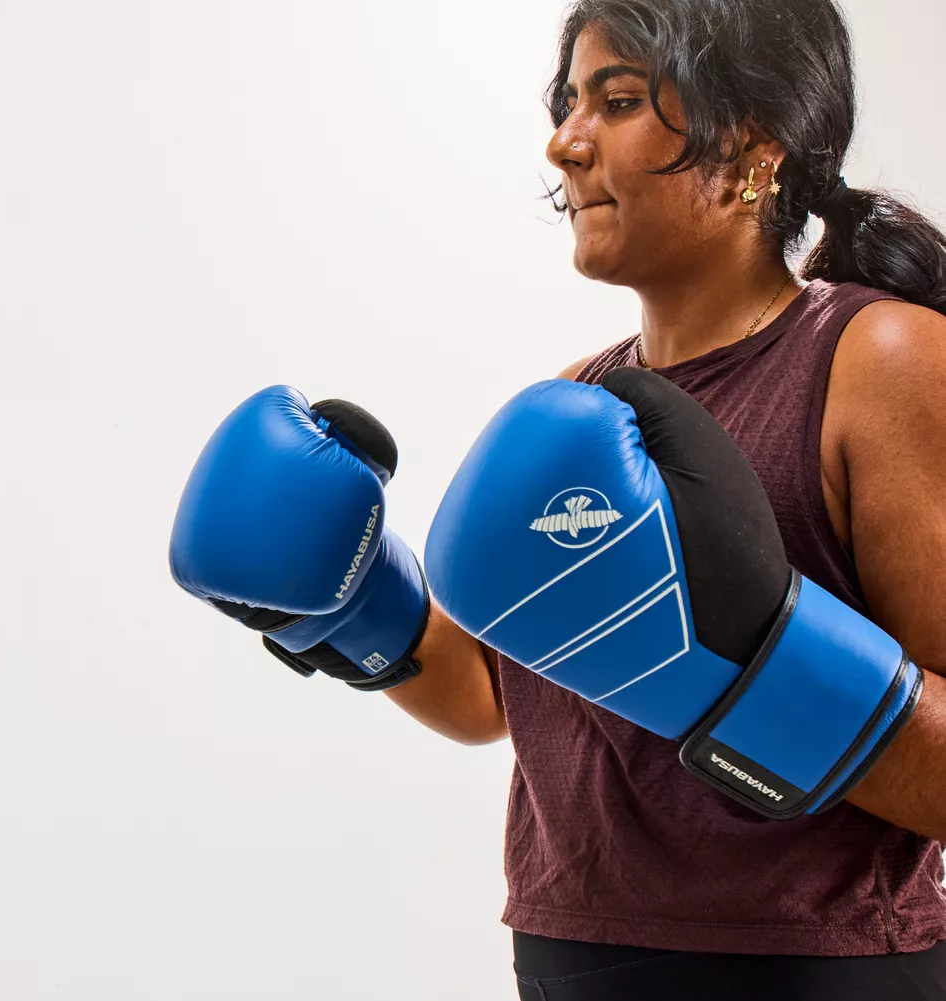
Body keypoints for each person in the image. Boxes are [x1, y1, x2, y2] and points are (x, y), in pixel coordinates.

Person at [170, 1, 946, 997]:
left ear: (754, 147)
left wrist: (759, 660)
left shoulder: (876, 359)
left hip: (812, 968)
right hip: (568, 951)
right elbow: (493, 698)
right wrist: (348, 603)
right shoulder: (580, 399)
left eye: (616, 101)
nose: (565, 141)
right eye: (568, 101)